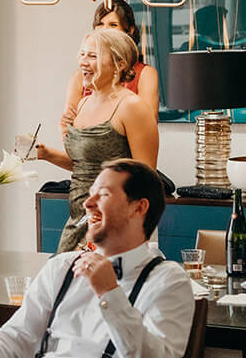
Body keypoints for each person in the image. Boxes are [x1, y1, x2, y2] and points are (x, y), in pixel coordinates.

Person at [0, 159, 195, 358]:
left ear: (139, 207)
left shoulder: (169, 282)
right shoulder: (61, 267)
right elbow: (18, 337)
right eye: (90, 194)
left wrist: (110, 294)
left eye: (104, 195)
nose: (88, 203)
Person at [34, 28, 160, 252]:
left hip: (114, 226)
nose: (83, 62)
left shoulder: (132, 106)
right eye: (82, 54)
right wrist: (46, 154)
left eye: (92, 56)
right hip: (77, 220)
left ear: (120, 64)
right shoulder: (83, 103)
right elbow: (86, 167)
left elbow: (146, 179)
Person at [60, 0, 160, 130]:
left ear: (129, 30)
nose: (105, 30)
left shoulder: (145, 74)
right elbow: (68, 125)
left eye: (113, 25)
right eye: (100, 24)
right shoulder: (80, 76)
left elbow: (148, 125)